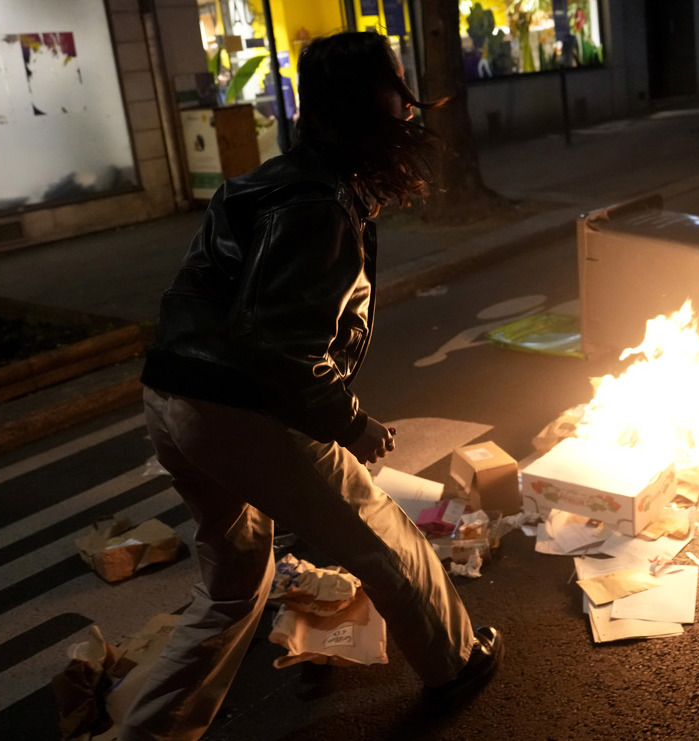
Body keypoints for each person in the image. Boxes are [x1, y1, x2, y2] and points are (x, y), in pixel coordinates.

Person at [119, 31, 502, 741]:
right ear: (370, 104)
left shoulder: (268, 183)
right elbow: (277, 346)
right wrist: (350, 423)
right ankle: (454, 664)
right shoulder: (317, 203)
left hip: (172, 397)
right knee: (385, 540)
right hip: (243, 409)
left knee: (231, 589)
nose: (408, 110)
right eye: (398, 91)